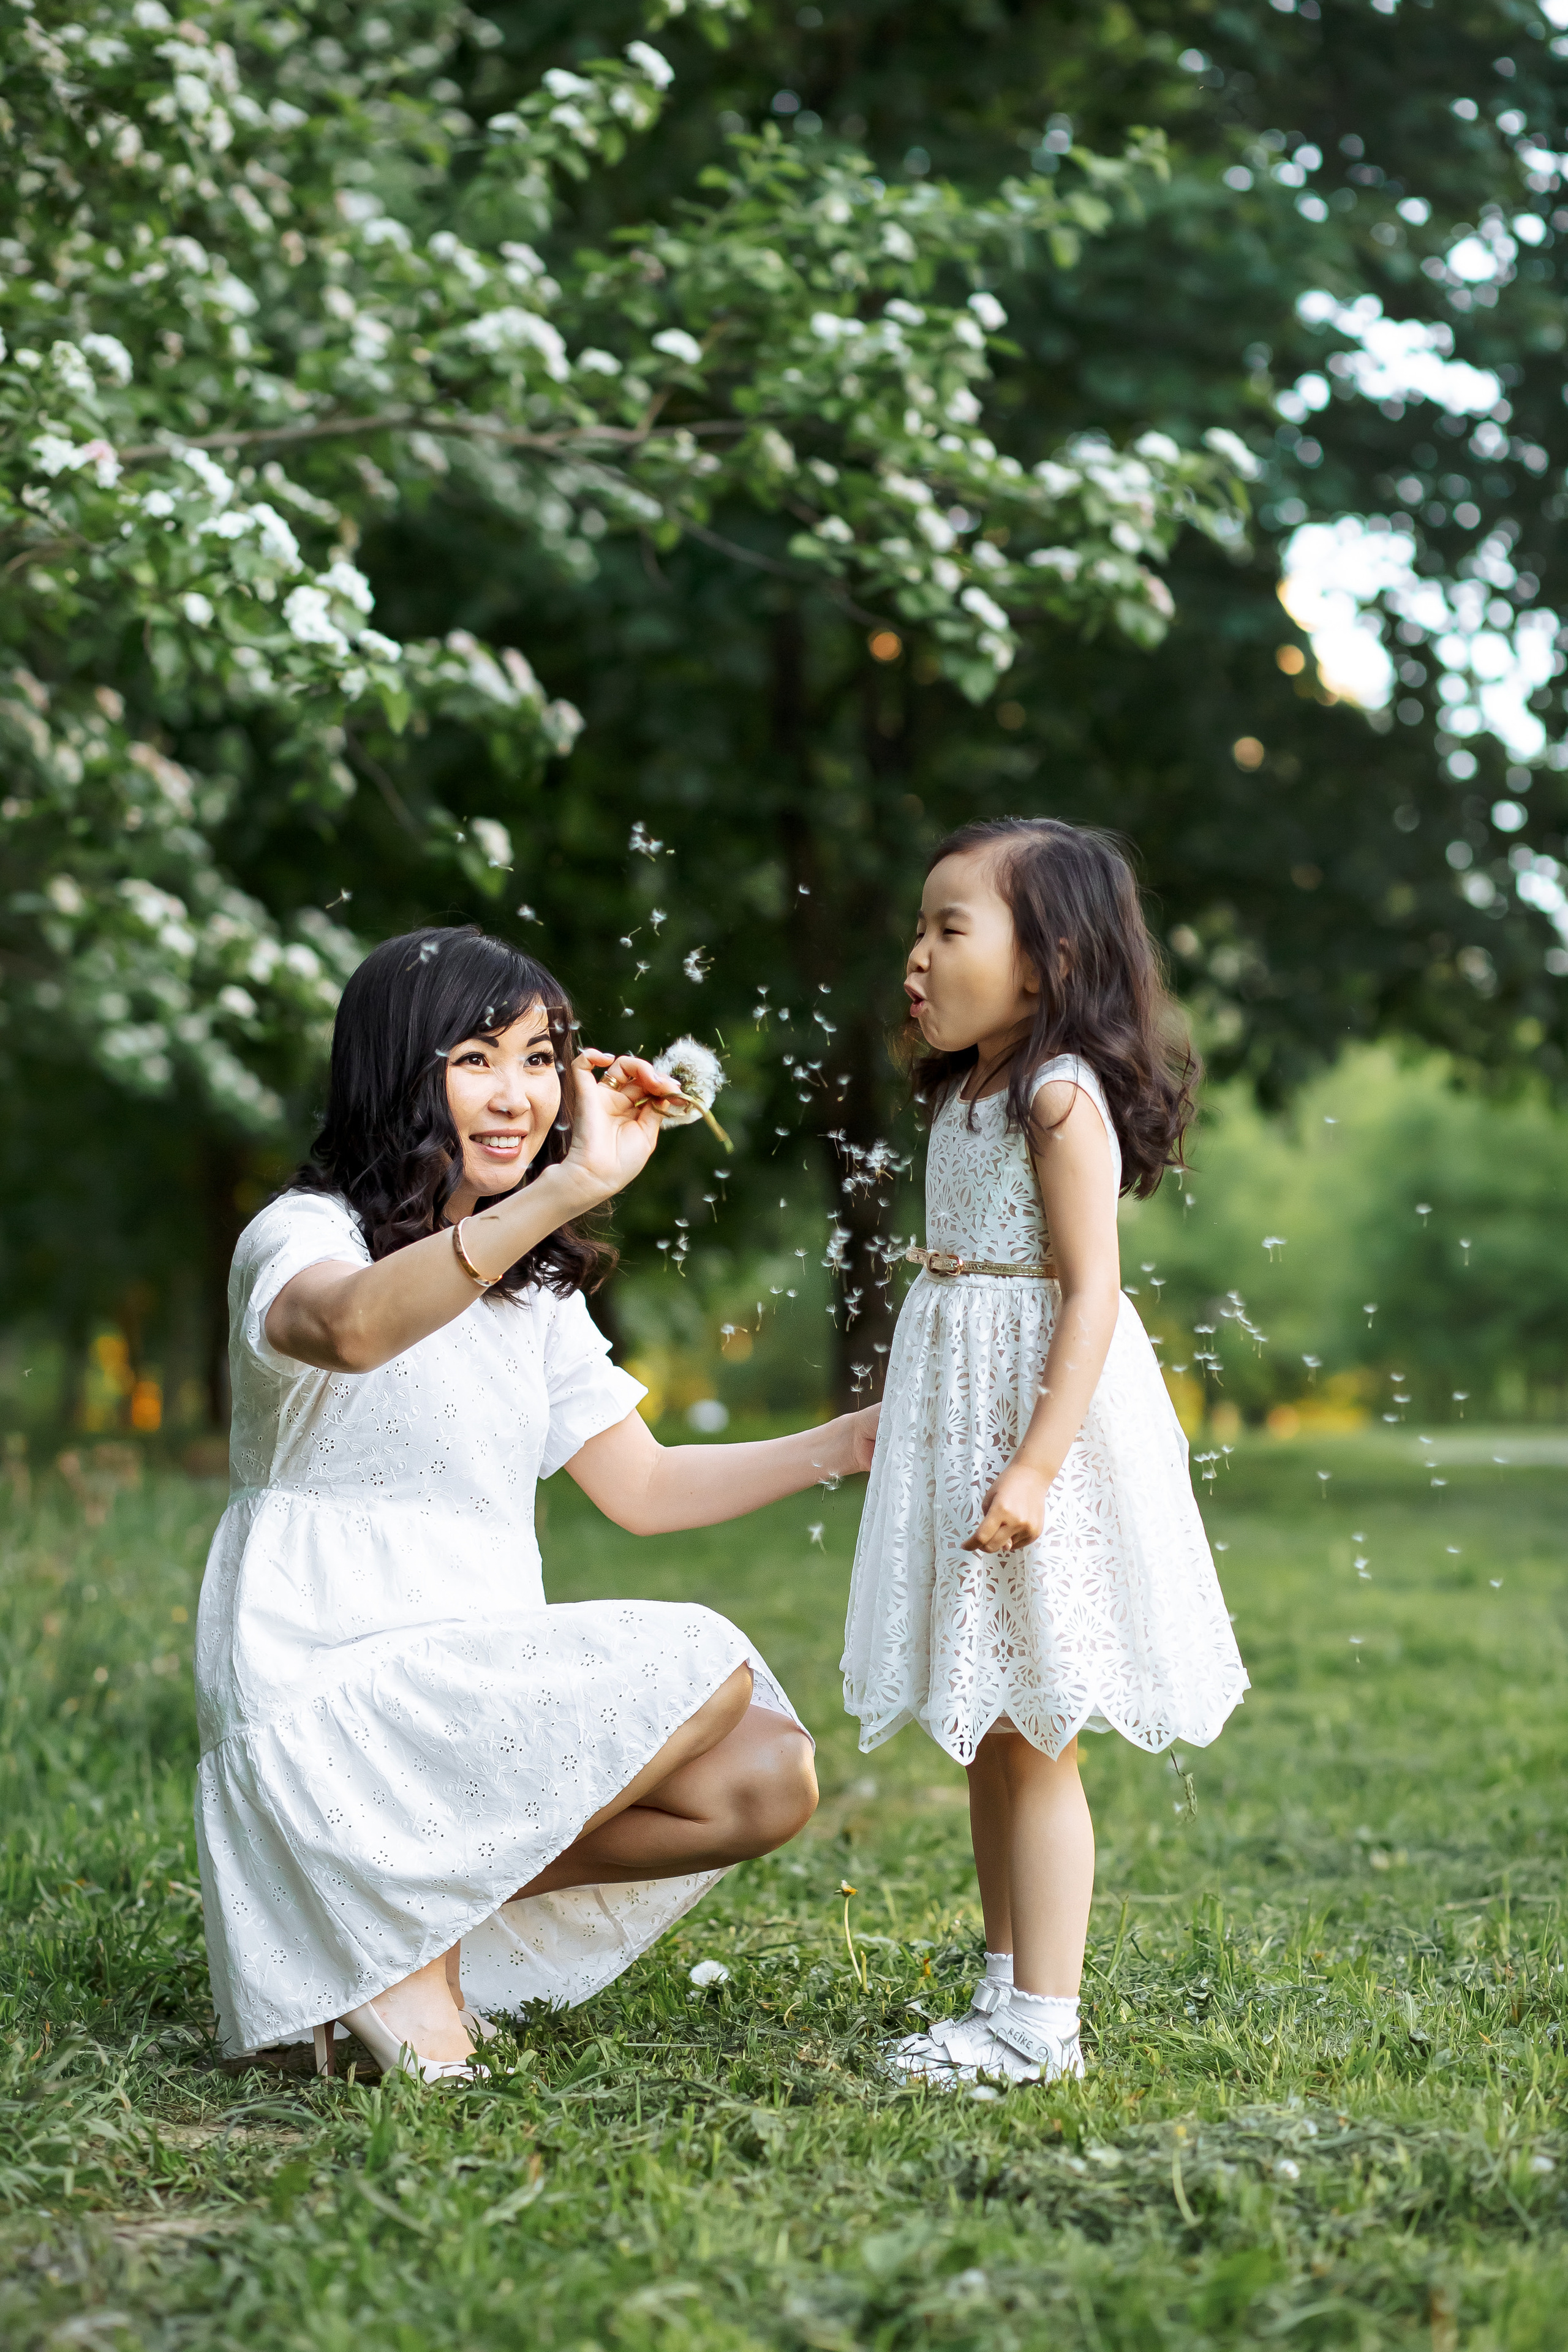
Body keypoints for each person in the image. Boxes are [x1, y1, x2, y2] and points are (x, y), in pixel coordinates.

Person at [195, 925, 878, 2081]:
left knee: (768, 1776)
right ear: (396, 1074)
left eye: (540, 1056)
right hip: (325, 1659)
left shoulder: (535, 1294)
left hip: (471, 1650)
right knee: (707, 1663)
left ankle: (402, 1924)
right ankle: (377, 1930)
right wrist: (564, 1187)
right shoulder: (305, 1235)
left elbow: (646, 1487)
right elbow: (352, 1327)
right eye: (475, 1059)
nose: (517, 1094)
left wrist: (858, 1442)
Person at [840, 818, 1248, 2088]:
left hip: (1040, 1427)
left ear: (1044, 962)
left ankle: (1042, 2025)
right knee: (989, 1723)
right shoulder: (963, 1093)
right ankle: (1003, 1984)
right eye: (916, 926)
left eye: (948, 928)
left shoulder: (1054, 1095)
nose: (915, 955)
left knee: (1040, 1722)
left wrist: (1029, 1470)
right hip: (967, 1408)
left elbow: (1087, 1293)